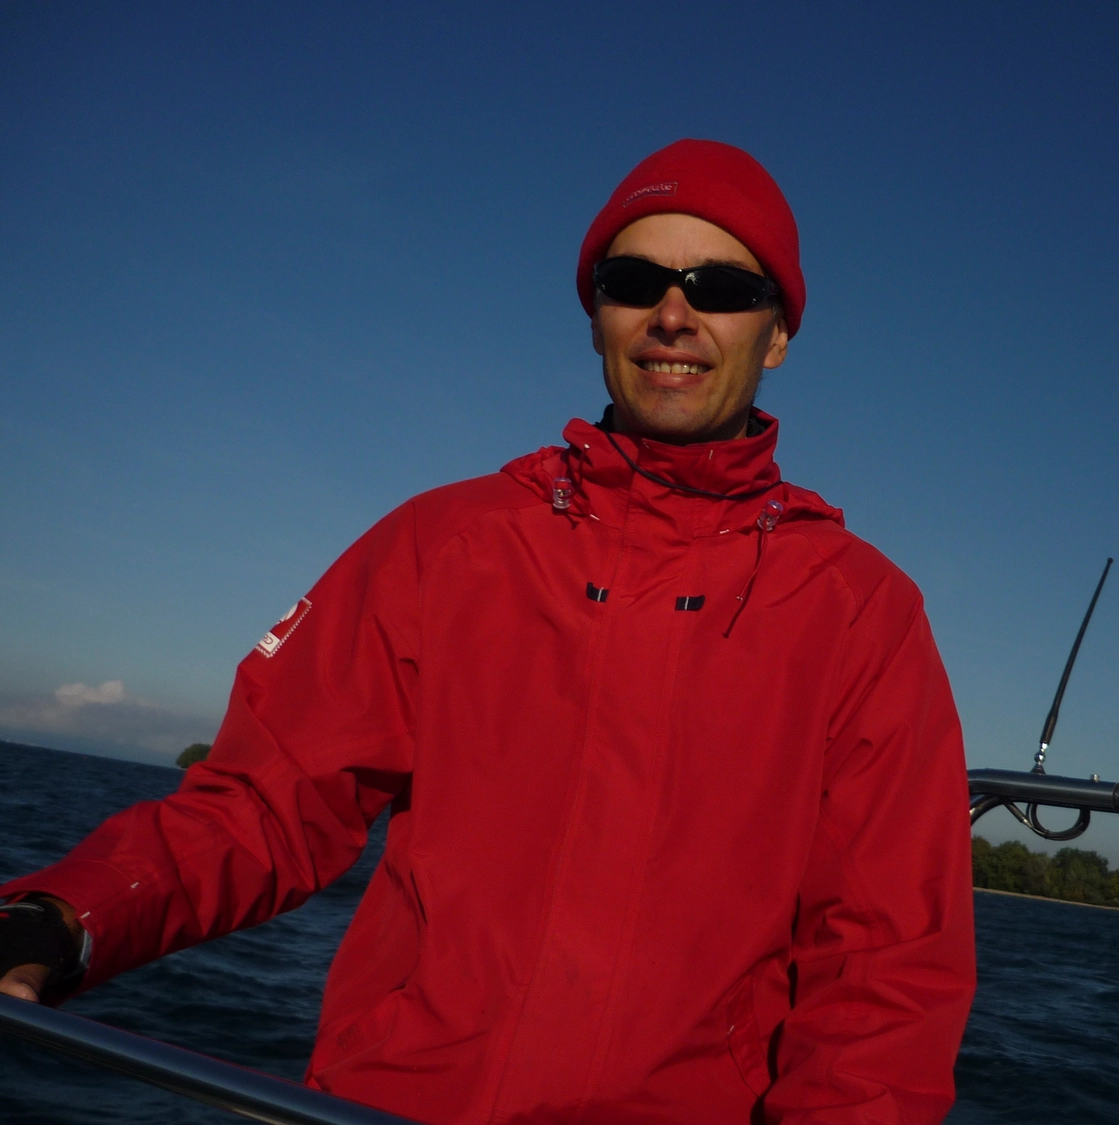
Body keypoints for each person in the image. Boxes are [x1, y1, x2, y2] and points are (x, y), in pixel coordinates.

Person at [0, 139, 977, 1125]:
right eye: (634, 281)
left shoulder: (862, 612)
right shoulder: (444, 545)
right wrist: (63, 918)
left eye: (721, 287)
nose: (673, 314)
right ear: (596, 315)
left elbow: (884, 972)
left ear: (777, 336)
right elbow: (263, 805)